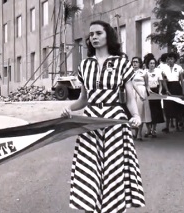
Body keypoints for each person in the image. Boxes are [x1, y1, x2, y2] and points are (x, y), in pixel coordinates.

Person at [61, 20, 145, 213]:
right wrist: (69, 108)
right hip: (90, 123)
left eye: (98, 33)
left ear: (108, 35)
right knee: (89, 170)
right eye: (91, 35)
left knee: (113, 171)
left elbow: (130, 98)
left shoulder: (121, 63)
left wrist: (136, 116)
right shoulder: (85, 65)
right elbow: (83, 99)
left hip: (114, 121)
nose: (94, 37)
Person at [161, 52, 184, 133]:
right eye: (168, 59)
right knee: (167, 107)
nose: (170, 60)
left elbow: (181, 80)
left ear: (174, 60)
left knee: (177, 106)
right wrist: (166, 90)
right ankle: (167, 127)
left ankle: (177, 125)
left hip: (177, 87)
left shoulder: (179, 68)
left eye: (172, 59)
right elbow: (164, 80)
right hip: (168, 86)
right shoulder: (164, 68)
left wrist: (183, 90)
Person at [131, 57, 151, 140]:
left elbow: (147, 85)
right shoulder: (129, 72)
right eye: (133, 62)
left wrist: (149, 91)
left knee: (140, 112)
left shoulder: (143, 72)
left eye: (136, 62)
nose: (135, 63)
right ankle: (135, 132)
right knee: (133, 112)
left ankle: (139, 133)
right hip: (131, 92)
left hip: (141, 92)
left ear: (140, 63)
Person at [144, 57, 165, 137]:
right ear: (148, 64)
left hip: (155, 91)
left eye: (153, 63)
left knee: (155, 111)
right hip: (147, 92)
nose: (152, 65)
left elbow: (160, 84)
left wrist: (159, 92)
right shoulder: (145, 72)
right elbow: (146, 84)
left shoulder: (158, 72)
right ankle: (148, 129)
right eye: (150, 63)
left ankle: (154, 129)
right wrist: (148, 90)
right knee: (147, 111)